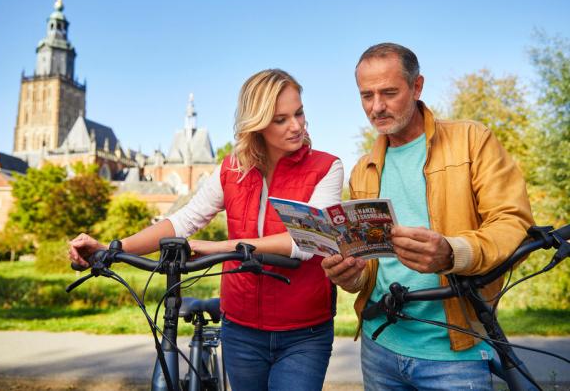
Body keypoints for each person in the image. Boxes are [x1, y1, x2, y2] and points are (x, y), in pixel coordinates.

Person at [69, 68, 344, 391]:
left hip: (304, 331)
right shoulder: (232, 169)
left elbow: (307, 243)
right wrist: (111, 248)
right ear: (256, 123)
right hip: (241, 329)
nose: (296, 125)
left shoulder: (327, 167)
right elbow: (184, 221)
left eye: (299, 113)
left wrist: (218, 248)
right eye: (281, 119)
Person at [321, 43, 534, 390]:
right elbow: (370, 266)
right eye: (366, 95)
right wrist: (350, 277)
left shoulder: (471, 140)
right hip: (380, 345)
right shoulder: (363, 170)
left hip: (456, 351)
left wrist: (452, 252)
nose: (376, 107)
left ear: (417, 86)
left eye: (389, 93)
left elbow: (513, 223)